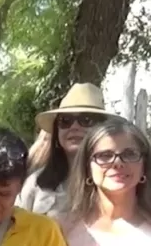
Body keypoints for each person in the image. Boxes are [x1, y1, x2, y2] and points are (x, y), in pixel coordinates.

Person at [21, 83, 120, 219]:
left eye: (86, 120)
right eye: (65, 121)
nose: (74, 127)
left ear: (103, 129)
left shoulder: (118, 179)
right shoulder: (36, 184)